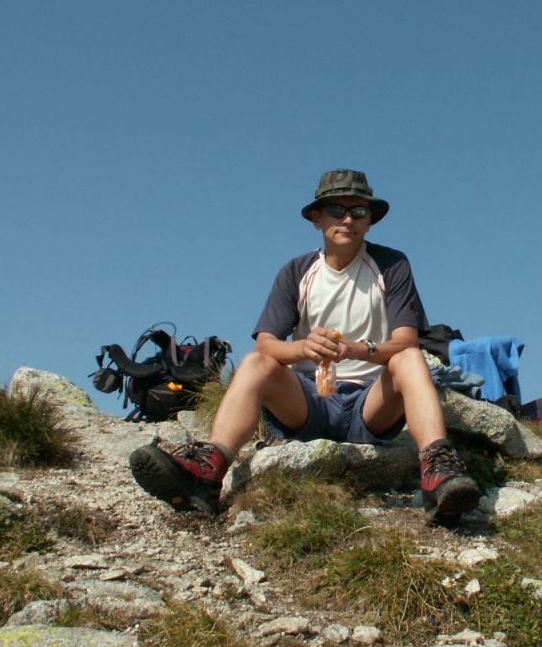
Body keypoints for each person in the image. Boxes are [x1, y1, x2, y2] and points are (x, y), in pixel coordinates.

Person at [129, 169, 480, 525]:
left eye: (359, 211)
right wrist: (304, 349)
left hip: (370, 402)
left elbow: (405, 341)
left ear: (370, 220)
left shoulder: (392, 265)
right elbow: (266, 345)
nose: (348, 219)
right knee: (255, 363)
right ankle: (208, 471)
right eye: (336, 210)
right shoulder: (296, 272)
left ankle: (438, 471)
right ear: (317, 218)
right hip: (308, 400)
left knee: (410, 358)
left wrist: (356, 350)